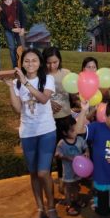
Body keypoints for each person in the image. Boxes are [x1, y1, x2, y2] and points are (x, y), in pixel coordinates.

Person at [4, 48, 59, 218]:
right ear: (22, 63)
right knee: (34, 173)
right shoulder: (17, 82)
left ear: (40, 63)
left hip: (46, 130)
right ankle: (40, 208)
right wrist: (12, 87)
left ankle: (51, 208)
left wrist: (25, 82)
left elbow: (43, 99)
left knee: (44, 172)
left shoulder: (47, 79)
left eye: (34, 60)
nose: (30, 64)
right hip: (27, 132)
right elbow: (18, 109)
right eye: (26, 61)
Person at [43, 47, 72, 196]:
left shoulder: (66, 74)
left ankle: (64, 178)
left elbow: (75, 90)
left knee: (65, 151)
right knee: (52, 151)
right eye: (48, 63)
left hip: (66, 118)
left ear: (59, 60)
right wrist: (48, 103)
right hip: (48, 121)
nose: (52, 66)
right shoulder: (41, 77)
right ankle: (50, 180)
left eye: (55, 62)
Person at [55, 116, 89, 216]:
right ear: (65, 133)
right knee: (68, 187)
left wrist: (87, 152)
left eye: (76, 129)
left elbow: (86, 147)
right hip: (68, 172)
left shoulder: (79, 140)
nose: (75, 132)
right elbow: (57, 154)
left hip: (77, 171)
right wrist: (66, 157)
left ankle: (77, 199)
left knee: (76, 185)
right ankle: (69, 204)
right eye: (72, 130)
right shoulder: (62, 143)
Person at [0, 0, 27, 68]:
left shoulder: (17, 1)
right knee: (12, 48)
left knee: (22, 48)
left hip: (19, 28)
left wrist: (23, 28)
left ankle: (23, 66)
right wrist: (12, 29)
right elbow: (3, 22)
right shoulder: (0, 6)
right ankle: (15, 68)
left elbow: (23, 15)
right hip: (9, 30)